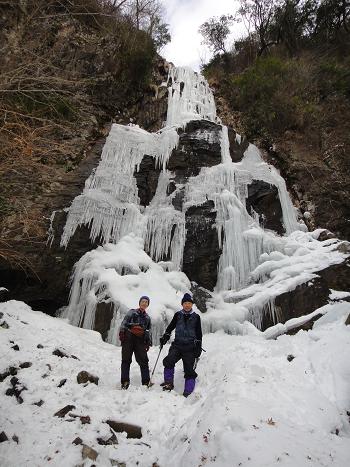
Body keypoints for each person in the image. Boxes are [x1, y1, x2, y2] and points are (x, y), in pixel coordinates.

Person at [159, 293, 202, 397]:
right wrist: (166, 336)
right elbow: (170, 327)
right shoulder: (178, 315)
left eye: (189, 303)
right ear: (182, 304)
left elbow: (199, 334)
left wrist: (198, 347)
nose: (187, 305)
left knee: (189, 369)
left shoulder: (196, 317)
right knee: (169, 360)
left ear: (192, 305)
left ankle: (188, 391)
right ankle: (168, 383)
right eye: (185, 303)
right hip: (177, 345)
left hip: (190, 347)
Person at [119, 296, 152, 389]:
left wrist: (147, 342)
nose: (144, 303)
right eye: (143, 301)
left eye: (146, 302)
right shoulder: (132, 312)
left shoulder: (147, 318)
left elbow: (148, 331)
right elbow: (124, 323)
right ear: (139, 303)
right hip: (129, 337)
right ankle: (125, 382)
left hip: (140, 340)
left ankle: (146, 382)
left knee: (144, 361)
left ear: (148, 305)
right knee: (126, 360)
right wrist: (122, 333)